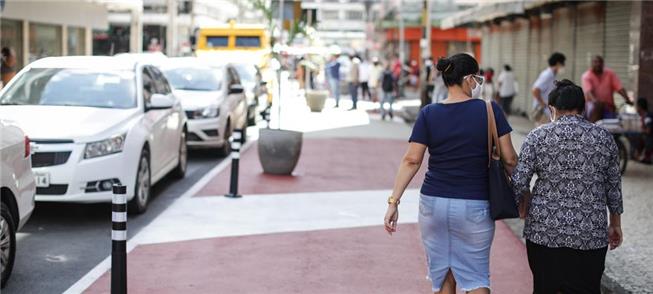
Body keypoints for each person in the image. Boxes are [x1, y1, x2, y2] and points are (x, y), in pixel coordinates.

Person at [384, 53, 518, 294]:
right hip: (474, 205)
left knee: (444, 278)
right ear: (468, 79)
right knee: (476, 277)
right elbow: (509, 159)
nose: (479, 83)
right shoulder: (490, 110)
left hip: (433, 204)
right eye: (477, 78)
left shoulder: (428, 113)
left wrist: (393, 201)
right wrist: (523, 192)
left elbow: (412, 160)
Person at [512, 79, 624, 294]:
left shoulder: (537, 137)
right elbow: (613, 186)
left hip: (544, 232)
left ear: (552, 109)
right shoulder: (604, 138)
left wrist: (522, 206)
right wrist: (615, 224)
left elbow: (519, 182)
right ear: (583, 108)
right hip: (590, 233)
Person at [582, 55, 633, 122]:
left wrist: (627, 99)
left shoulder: (610, 74)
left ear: (603, 64)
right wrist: (597, 102)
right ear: (591, 64)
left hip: (608, 107)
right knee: (598, 107)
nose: (598, 64)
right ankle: (591, 127)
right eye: (595, 62)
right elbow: (588, 92)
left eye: (600, 62)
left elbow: (619, 88)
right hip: (593, 106)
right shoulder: (586, 76)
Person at [531, 52, 566, 126]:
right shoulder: (547, 75)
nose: (564, 66)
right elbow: (535, 90)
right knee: (542, 133)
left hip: (546, 110)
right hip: (543, 111)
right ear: (558, 63)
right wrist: (543, 104)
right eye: (563, 64)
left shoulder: (552, 75)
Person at [634, 97, 653, 163]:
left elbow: (648, 131)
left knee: (641, 137)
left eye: (637, 106)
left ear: (640, 107)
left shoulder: (647, 117)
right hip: (649, 137)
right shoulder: (643, 116)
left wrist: (641, 131)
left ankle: (647, 157)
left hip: (650, 138)